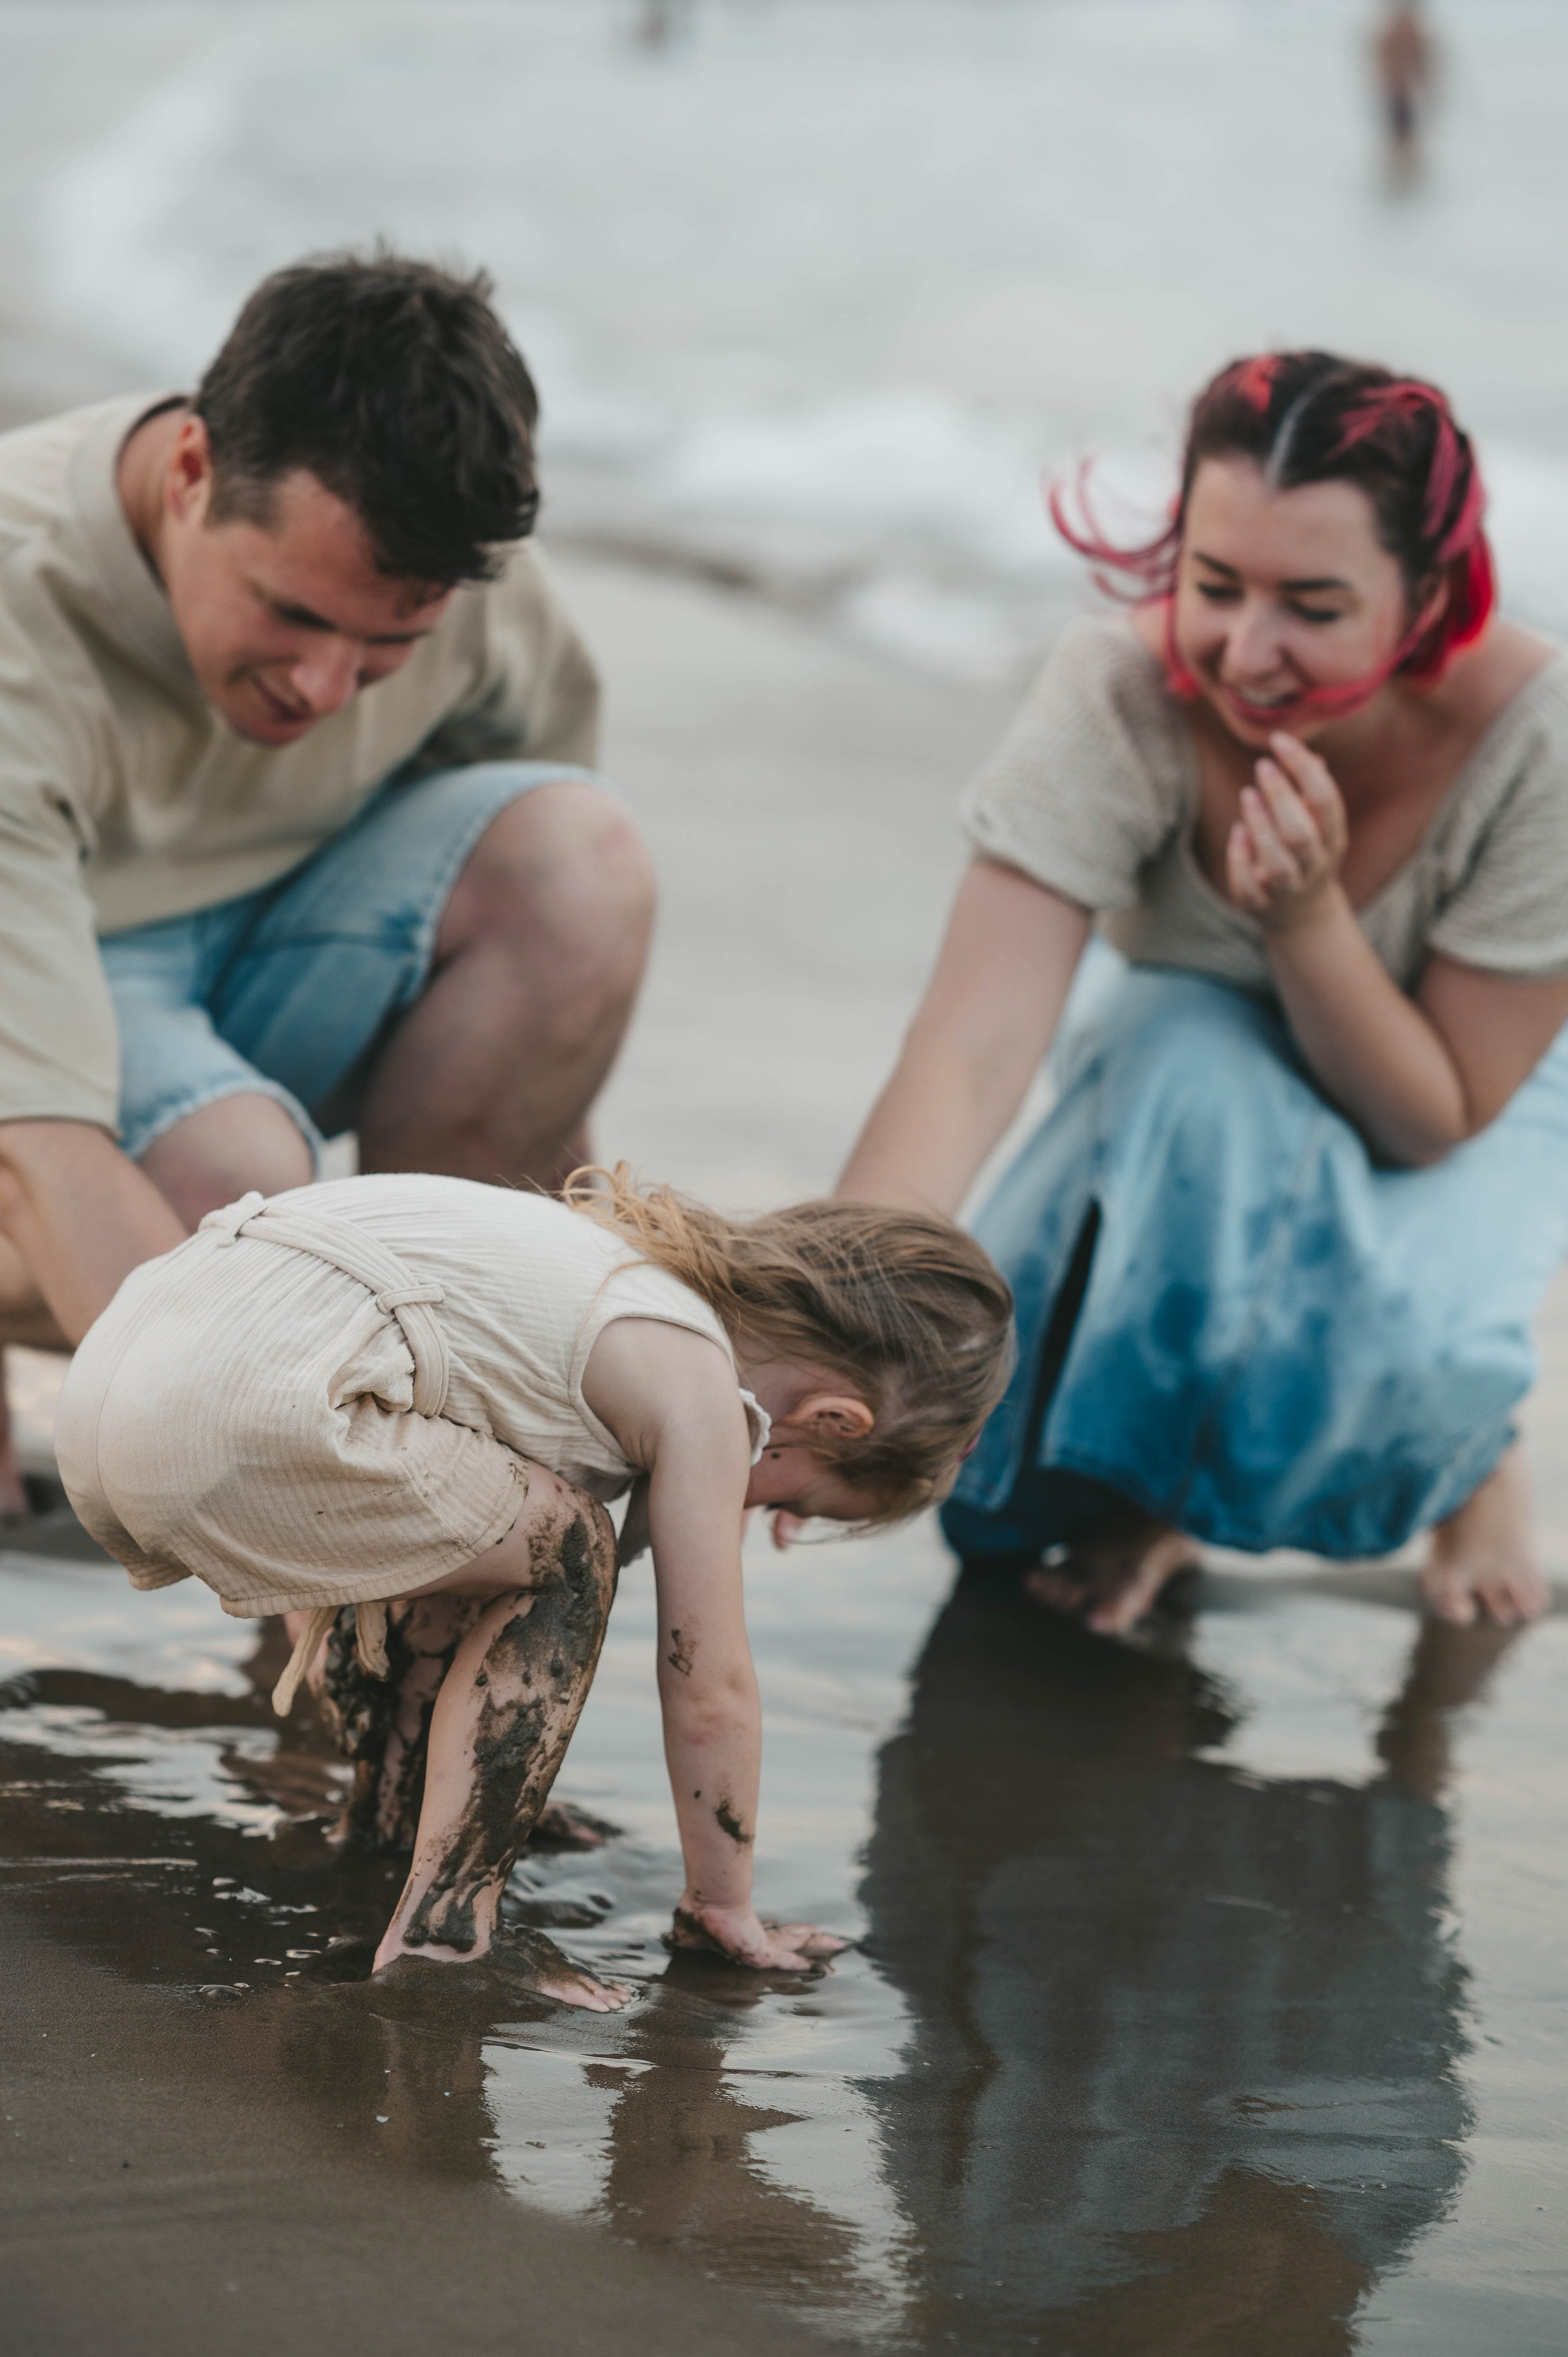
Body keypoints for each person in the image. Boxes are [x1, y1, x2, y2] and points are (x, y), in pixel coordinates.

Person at [840, 350, 1568, 1634]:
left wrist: (1304, 919)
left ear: (1425, 598)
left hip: (1462, 1076)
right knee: (995, 1491)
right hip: (1187, 1052)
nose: (1246, 651)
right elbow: (969, 1046)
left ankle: (1479, 1456)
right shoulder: (1116, 690)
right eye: (1213, 584)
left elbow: (1435, 1113)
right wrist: (834, 1316)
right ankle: (1150, 1496)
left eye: (1312, 605)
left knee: (1408, 1371)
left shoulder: (1537, 735)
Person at [0, 250, 653, 1509]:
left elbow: (538, 995)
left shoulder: (466, 578)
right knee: (234, 1195)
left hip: (276, 942)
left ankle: (449, 1396)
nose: (324, 684)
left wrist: (589, 1302)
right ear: (192, 472)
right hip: (45, 1010)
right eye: (292, 615)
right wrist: (327, 1531)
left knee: (581, 863)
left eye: (387, 644)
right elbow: (38, 1140)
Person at [55, 1164, 1012, 2006]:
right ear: (833, 1420)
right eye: (783, 1498)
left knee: (494, 1537)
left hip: (114, 1380)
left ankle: (395, 1820)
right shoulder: (700, 1387)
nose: (747, 1507)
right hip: (245, 1410)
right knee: (569, 1548)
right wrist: (724, 1903)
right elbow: (708, 1681)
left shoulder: (604, 1272)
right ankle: (446, 1931)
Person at [1374, 3, 1439, 192]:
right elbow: (1382, 63)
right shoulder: (1391, 35)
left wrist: (1427, 87)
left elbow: (1423, 63)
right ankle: (1397, 176)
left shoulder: (1413, 34)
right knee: (1398, 136)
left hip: (1407, 93)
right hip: (1396, 93)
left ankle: (1408, 176)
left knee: (1408, 136)